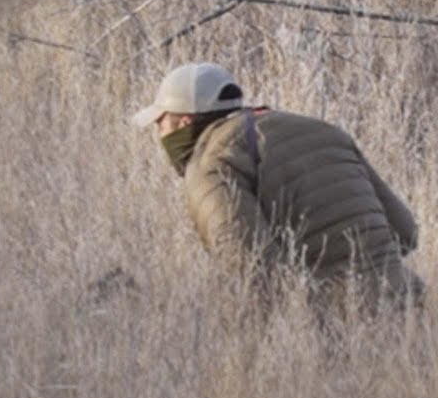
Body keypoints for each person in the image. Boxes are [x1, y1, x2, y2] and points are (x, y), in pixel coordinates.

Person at [132, 62, 423, 320]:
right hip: (406, 307)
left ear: (185, 122)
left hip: (338, 321)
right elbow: (406, 233)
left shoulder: (212, 161)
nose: (160, 136)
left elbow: (249, 264)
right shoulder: (325, 131)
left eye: (161, 124)